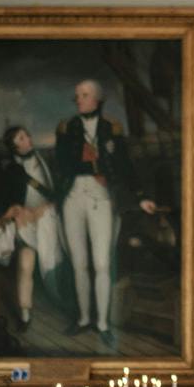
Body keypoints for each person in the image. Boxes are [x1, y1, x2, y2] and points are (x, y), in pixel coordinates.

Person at [53, 79, 156, 350]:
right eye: (77, 95)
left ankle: (102, 324)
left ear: (97, 99)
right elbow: (61, 165)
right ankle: (84, 318)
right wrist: (89, 162)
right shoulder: (67, 128)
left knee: (101, 264)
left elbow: (125, 166)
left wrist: (141, 197)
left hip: (101, 198)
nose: (79, 100)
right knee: (78, 263)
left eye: (84, 95)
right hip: (73, 196)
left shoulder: (112, 128)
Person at [0, 125, 66, 332]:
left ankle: (63, 301)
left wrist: (43, 209)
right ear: (14, 146)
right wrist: (13, 210)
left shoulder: (46, 161)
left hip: (48, 218)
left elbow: (57, 194)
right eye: (21, 138)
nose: (28, 138)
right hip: (25, 221)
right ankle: (25, 314)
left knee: (55, 262)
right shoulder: (10, 168)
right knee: (25, 265)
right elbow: (5, 198)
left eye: (27, 135)